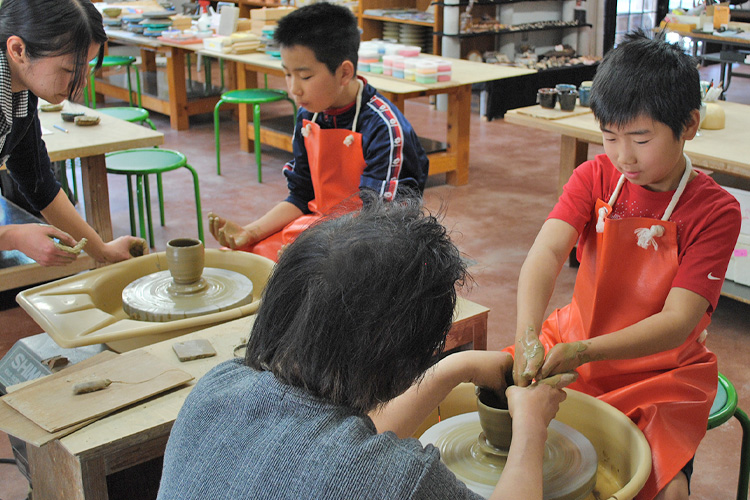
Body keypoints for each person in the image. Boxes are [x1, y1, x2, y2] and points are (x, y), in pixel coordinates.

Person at [158, 195, 574, 500]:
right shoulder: (398, 479)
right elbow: (359, 464)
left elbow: (339, 446)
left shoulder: (216, 387)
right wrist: (531, 429)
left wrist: (455, 368)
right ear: (398, 364)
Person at [508, 30, 742, 500]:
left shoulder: (715, 211)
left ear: (689, 125)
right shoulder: (594, 176)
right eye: (610, 137)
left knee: (667, 490)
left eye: (640, 138)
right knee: (499, 399)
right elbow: (547, 252)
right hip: (575, 338)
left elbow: (678, 322)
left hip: (661, 371)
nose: (623, 156)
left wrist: (589, 352)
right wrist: (528, 333)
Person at [208, 2, 429, 261]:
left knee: (292, 278)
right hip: (322, 227)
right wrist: (251, 232)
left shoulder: (384, 128)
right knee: (237, 259)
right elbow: (301, 196)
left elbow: (378, 222)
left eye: (305, 77)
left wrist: (314, 246)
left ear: (344, 72)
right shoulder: (308, 115)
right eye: (288, 74)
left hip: (373, 245)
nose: (294, 89)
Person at [0, 0, 144, 267]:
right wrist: (12, 236)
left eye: (85, 68)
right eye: (67, 70)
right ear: (18, 49)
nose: (79, 85)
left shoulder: (20, 91)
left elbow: (38, 182)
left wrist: (103, 251)